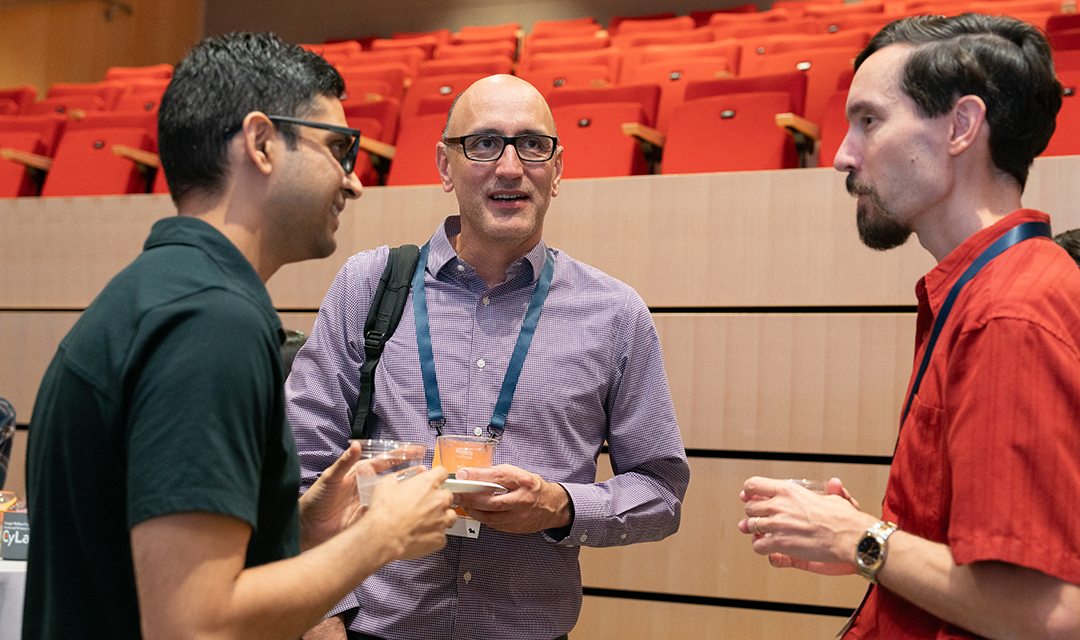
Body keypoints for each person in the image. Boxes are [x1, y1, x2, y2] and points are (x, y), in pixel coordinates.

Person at [23, 32, 456, 640]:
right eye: (338, 148)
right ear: (260, 143)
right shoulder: (210, 324)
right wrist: (376, 540)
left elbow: (139, 555)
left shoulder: (161, 294)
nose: (354, 181)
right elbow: (194, 624)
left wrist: (296, 529)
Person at [287, 74, 690, 640]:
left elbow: (660, 492)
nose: (509, 167)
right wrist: (323, 612)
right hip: (370, 630)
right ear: (444, 166)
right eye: (481, 144)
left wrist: (560, 506)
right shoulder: (368, 287)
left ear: (557, 170)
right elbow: (303, 462)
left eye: (532, 145)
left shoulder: (615, 314)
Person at [739, 13, 1080, 639]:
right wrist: (869, 541)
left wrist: (859, 538)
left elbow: (1044, 613)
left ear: (960, 127)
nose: (843, 153)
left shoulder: (1008, 311)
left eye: (869, 120)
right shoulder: (987, 292)